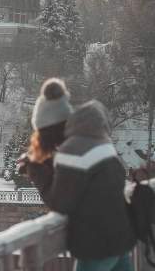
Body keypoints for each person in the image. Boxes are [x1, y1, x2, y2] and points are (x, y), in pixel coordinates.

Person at [35, 100, 136, 271]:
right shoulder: (104, 143)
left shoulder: (73, 148)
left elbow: (60, 204)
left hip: (97, 245)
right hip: (121, 239)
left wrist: (37, 173)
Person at [17, 78, 73, 199]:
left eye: (40, 133)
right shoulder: (78, 146)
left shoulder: (75, 156)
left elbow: (62, 203)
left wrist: (35, 171)